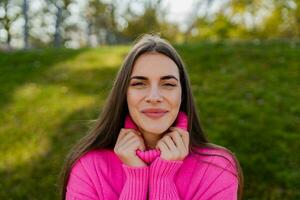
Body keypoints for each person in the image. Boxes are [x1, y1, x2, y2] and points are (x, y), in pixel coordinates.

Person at [59, 34, 244, 200]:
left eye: (168, 84)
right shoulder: (89, 168)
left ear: (182, 94)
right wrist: (135, 177)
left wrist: (163, 178)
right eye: (139, 83)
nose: (154, 97)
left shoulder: (217, 169)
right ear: (124, 94)